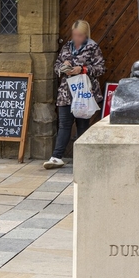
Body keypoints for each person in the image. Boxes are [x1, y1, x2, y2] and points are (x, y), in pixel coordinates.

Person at [43, 20, 106, 169]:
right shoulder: (67, 46)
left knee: (82, 124)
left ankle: (82, 157)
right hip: (66, 92)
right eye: (75, 34)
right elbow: (56, 66)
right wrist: (63, 67)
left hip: (84, 92)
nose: (76, 38)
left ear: (86, 35)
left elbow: (101, 68)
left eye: (80, 35)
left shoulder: (92, 47)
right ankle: (56, 157)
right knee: (64, 123)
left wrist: (82, 69)